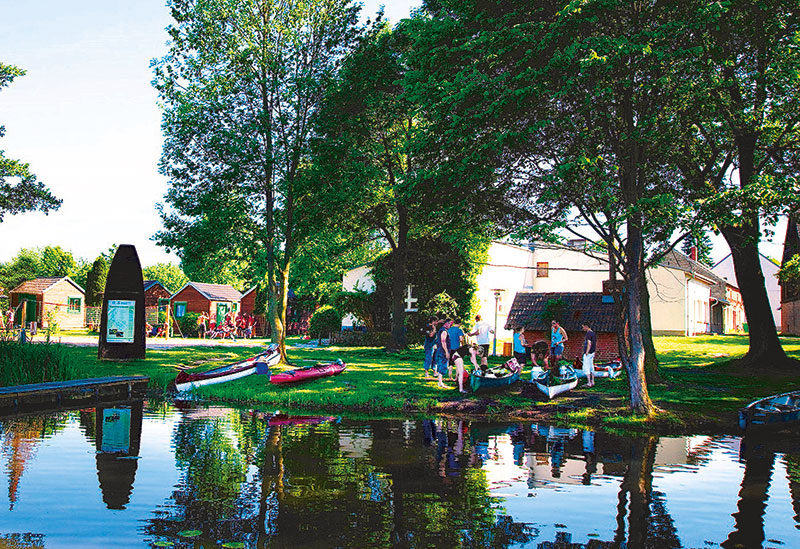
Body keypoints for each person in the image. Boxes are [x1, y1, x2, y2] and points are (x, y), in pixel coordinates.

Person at [434, 319, 452, 388]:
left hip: (440, 350)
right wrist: (446, 352)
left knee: (441, 365)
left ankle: (440, 382)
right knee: (442, 365)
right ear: (446, 323)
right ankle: (440, 382)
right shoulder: (444, 331)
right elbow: (443, 341)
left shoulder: (442, 330)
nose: (450, 325)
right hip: (442, 351)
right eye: (450, 323)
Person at [581, 321, 596, 387]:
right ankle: (593, 381)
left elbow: (589, 343)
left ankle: (589, 382)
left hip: (589, 353)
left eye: (583, 327)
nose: (583, 328)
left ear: (586, 326)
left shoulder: (588, 334)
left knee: (586, 367)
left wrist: (587, 351)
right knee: (591, 366)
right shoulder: (593, 333)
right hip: (592, 352)